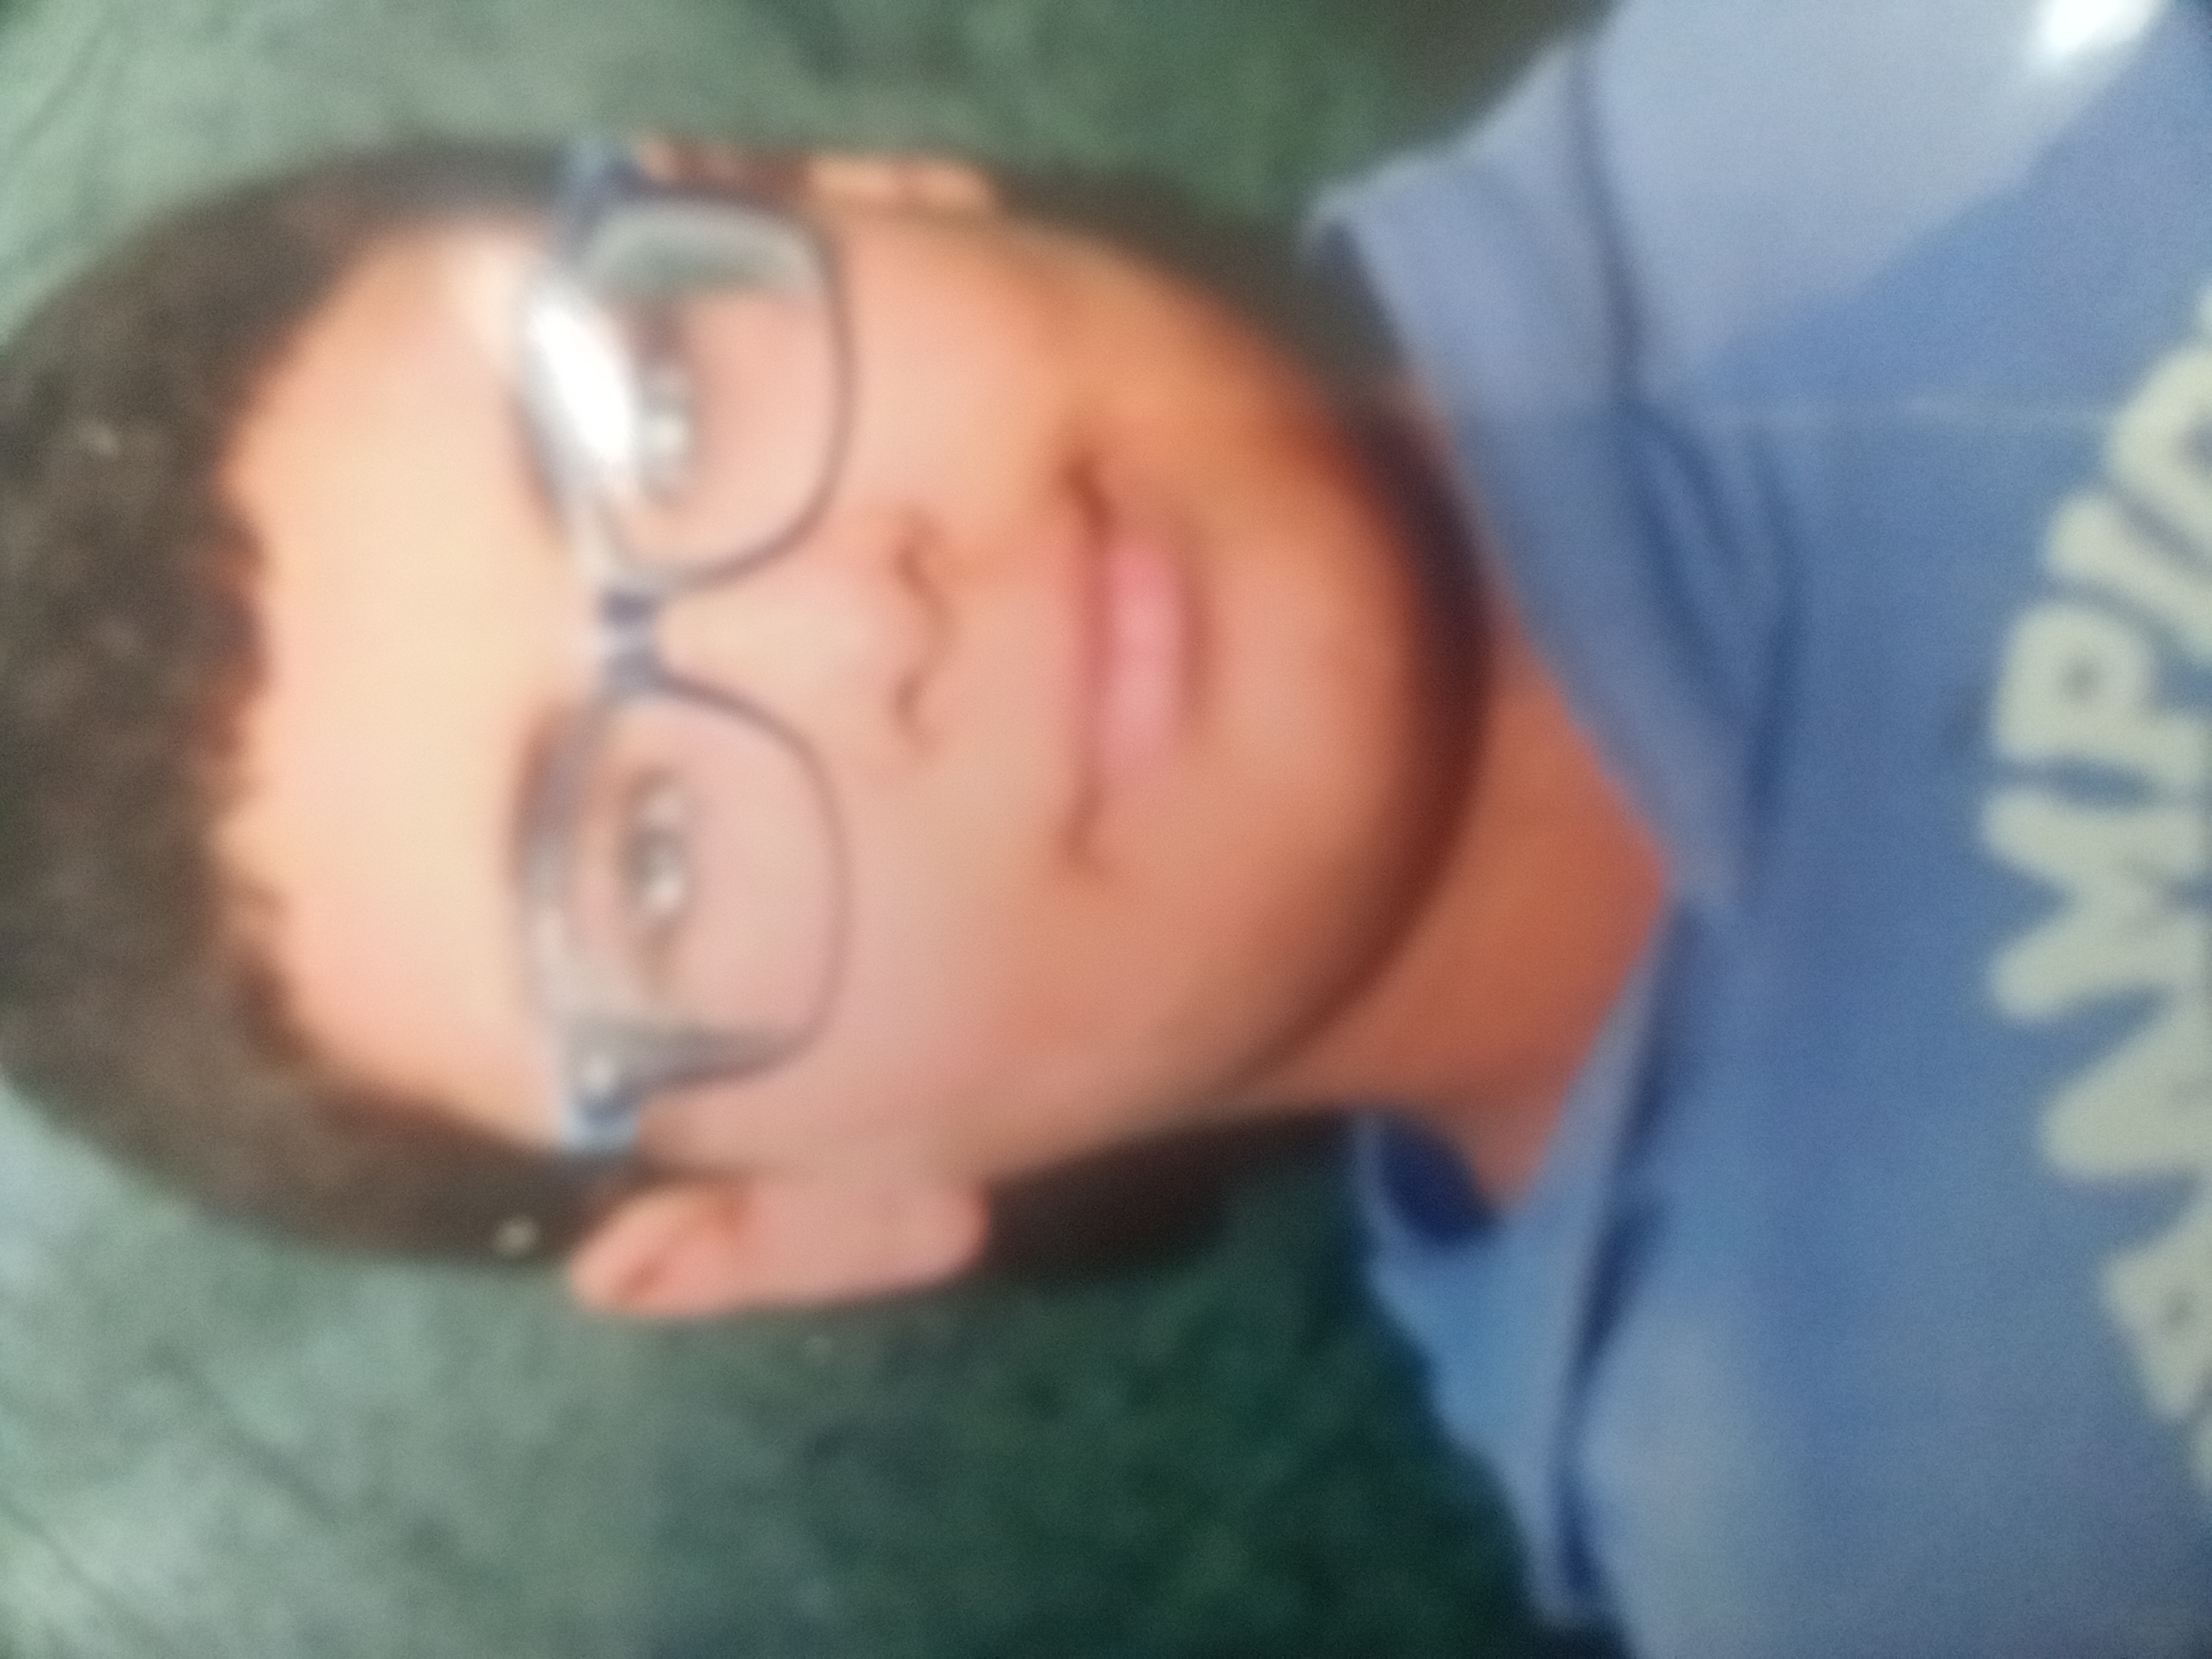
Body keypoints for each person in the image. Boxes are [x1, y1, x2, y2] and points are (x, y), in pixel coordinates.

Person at [2, 2, 2209, 1654]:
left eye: (658, 415)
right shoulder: (1925, 1558)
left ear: (843, 188)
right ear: (790, 1225)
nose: (854, 616)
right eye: (647, 864)